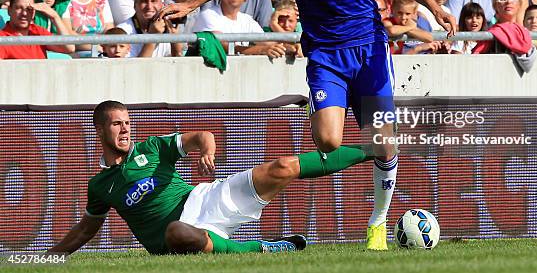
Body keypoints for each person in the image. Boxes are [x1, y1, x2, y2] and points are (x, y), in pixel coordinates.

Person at [158, 0, 456, 251]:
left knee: (380, 141)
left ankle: (377, 222)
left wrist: (435, 7)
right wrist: (193, 2)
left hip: (369, 53)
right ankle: (382, 145)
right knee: (329, 141)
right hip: (325, 56)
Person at [47, 100, 382, 255]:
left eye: (127, 122)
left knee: (282, 166)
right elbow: (85, 230)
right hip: (176, 235)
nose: (125, 129)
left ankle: (372, 149)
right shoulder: (100, 186)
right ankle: (260, 250)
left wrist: (207, 150)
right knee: (177, 231)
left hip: (205, 199)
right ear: (99, 128)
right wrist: (47, 257)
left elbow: (201, 136)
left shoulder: (151, 147)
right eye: (116, 123)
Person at [192, 0, 287, 57]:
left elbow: (267, 42)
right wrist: (262, 50)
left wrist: (290, 48)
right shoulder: (208, 15)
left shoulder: (247, 20)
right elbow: (223, 46)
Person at [0, 0, 74, 59]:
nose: (24, 13)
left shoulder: (37, 31)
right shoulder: (3, 38)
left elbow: (69, 48)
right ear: (9, 10)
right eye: (19, 8)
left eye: (29, 9)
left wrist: (55, 17)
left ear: (34, 12)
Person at [117, 0, 183, 58]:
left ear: (162, 5)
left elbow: (177, 64)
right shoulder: (123, 31)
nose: (149, 7)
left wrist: (175, 42)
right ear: (135, 5)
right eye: (144, 1)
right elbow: (135, 68)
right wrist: (152, 37)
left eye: (154, 1)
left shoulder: (170, 26)